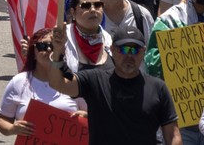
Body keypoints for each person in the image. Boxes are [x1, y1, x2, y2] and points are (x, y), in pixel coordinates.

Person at [36, 22, 180, 145]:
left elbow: (173, 135)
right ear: (112, 50)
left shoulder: (158, 88)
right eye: (123, 49)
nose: (129, 55)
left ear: (143, 52)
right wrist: (57, 53)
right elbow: (58, 84)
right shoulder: (95, 80)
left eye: (135, 50)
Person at [0, 27, 83, 137]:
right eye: (42, 46)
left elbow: (94, 116)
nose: (48, 50)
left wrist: (86, 117)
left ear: (62, 51)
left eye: (53, 46)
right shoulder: (19, 82)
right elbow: (2, 119)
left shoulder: (74, 82)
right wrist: (12, 128)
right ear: (34, 52)